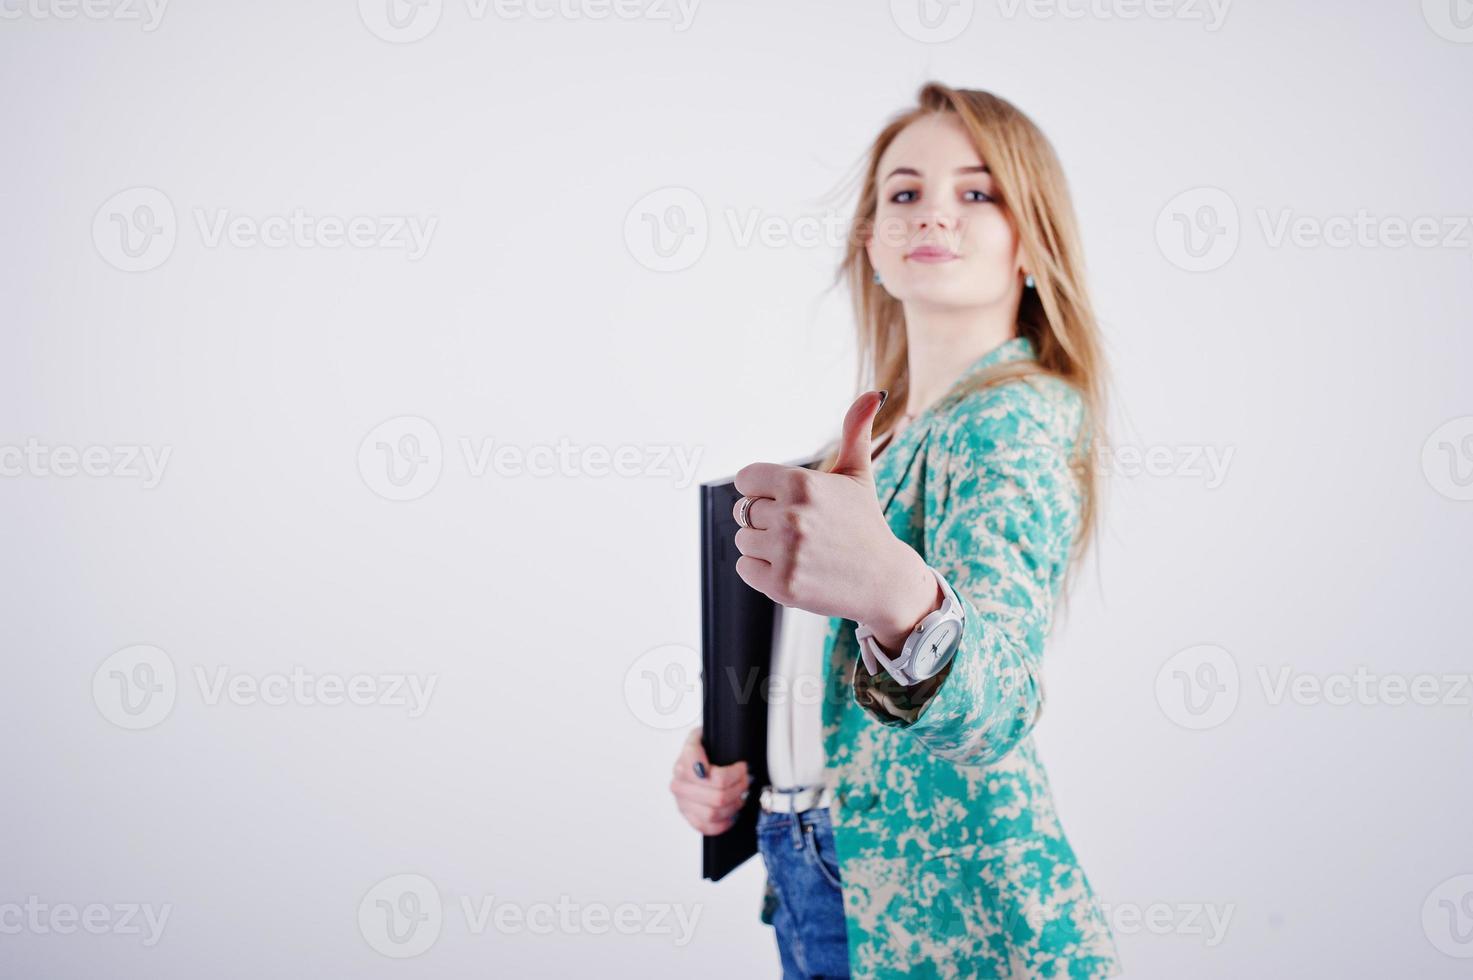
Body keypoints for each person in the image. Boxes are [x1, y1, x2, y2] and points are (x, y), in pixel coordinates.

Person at [669, 80, 1122, 979]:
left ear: (1030, 241)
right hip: (810, 867)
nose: (933, 215)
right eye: (904, 193)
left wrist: (900, 599)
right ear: (870, 244)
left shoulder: (1013, 420)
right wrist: (727, 754)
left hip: (951, 913)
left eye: (977, 191)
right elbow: (823, 677)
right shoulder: (868, 443)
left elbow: (996, 702)